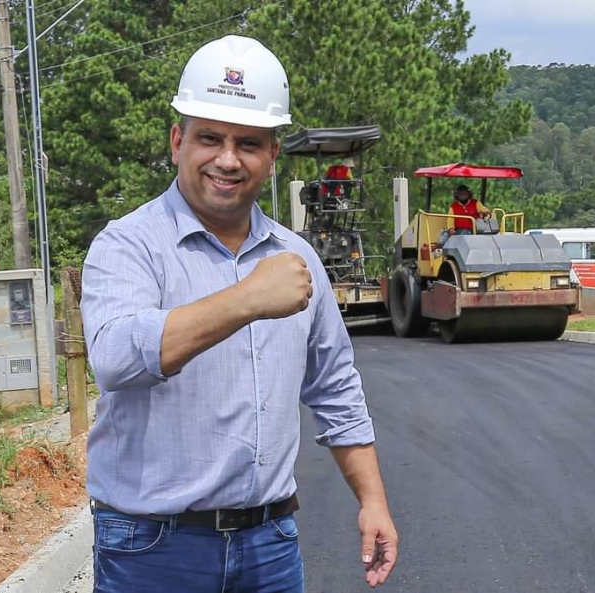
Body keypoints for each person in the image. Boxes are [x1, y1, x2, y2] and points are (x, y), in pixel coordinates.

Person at [79, 34, 398, 593]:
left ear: (272, 156)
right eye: (210, 138)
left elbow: (335, 387)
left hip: (269, 545)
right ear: (178, 140)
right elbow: (113, 359)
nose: (228, 159)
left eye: (249, 143)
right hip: (152, 547)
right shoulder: (128, 245)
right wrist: (246, 299)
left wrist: (373, 501)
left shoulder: (297, 260)